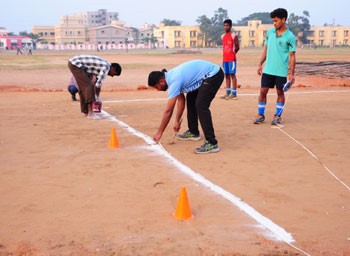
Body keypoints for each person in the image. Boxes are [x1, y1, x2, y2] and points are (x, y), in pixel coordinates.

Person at [148, 60, 224, 154]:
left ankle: (212, 143)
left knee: (201, 105)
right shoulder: (170, 78)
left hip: (214, 74)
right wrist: (177, 121)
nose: (157, 90)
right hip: (205, 76)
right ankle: (193, 132)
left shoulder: (174, 80)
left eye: (156, 87)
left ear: (161, 81)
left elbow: (168, 111)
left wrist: (159, 132)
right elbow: (181, 100)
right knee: (191, 98)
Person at [254, 8, 296, 125]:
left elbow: (292, 56)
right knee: (263, 91)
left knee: (280, 93)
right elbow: (266, 49)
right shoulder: (270, 33)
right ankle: (260, 114)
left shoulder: (290, 37)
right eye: (273, 21)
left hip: (281, 71)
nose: (274, 23)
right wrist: (260, 64)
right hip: (268, 69)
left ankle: (277, 116)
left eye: (276, 21)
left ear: (283, 20)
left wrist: (292, 74)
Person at [220, 19, 240, 100]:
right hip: (225, 59)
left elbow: (237, 47)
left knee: (232, 75)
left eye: (227, 25)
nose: (225, 27)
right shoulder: (222, 36)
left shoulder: (233, 36)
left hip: (232, 59)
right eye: (224, 25)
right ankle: (228, 93)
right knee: (226, 75)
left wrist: (232, 53)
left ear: (230, 26)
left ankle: (234, 93)